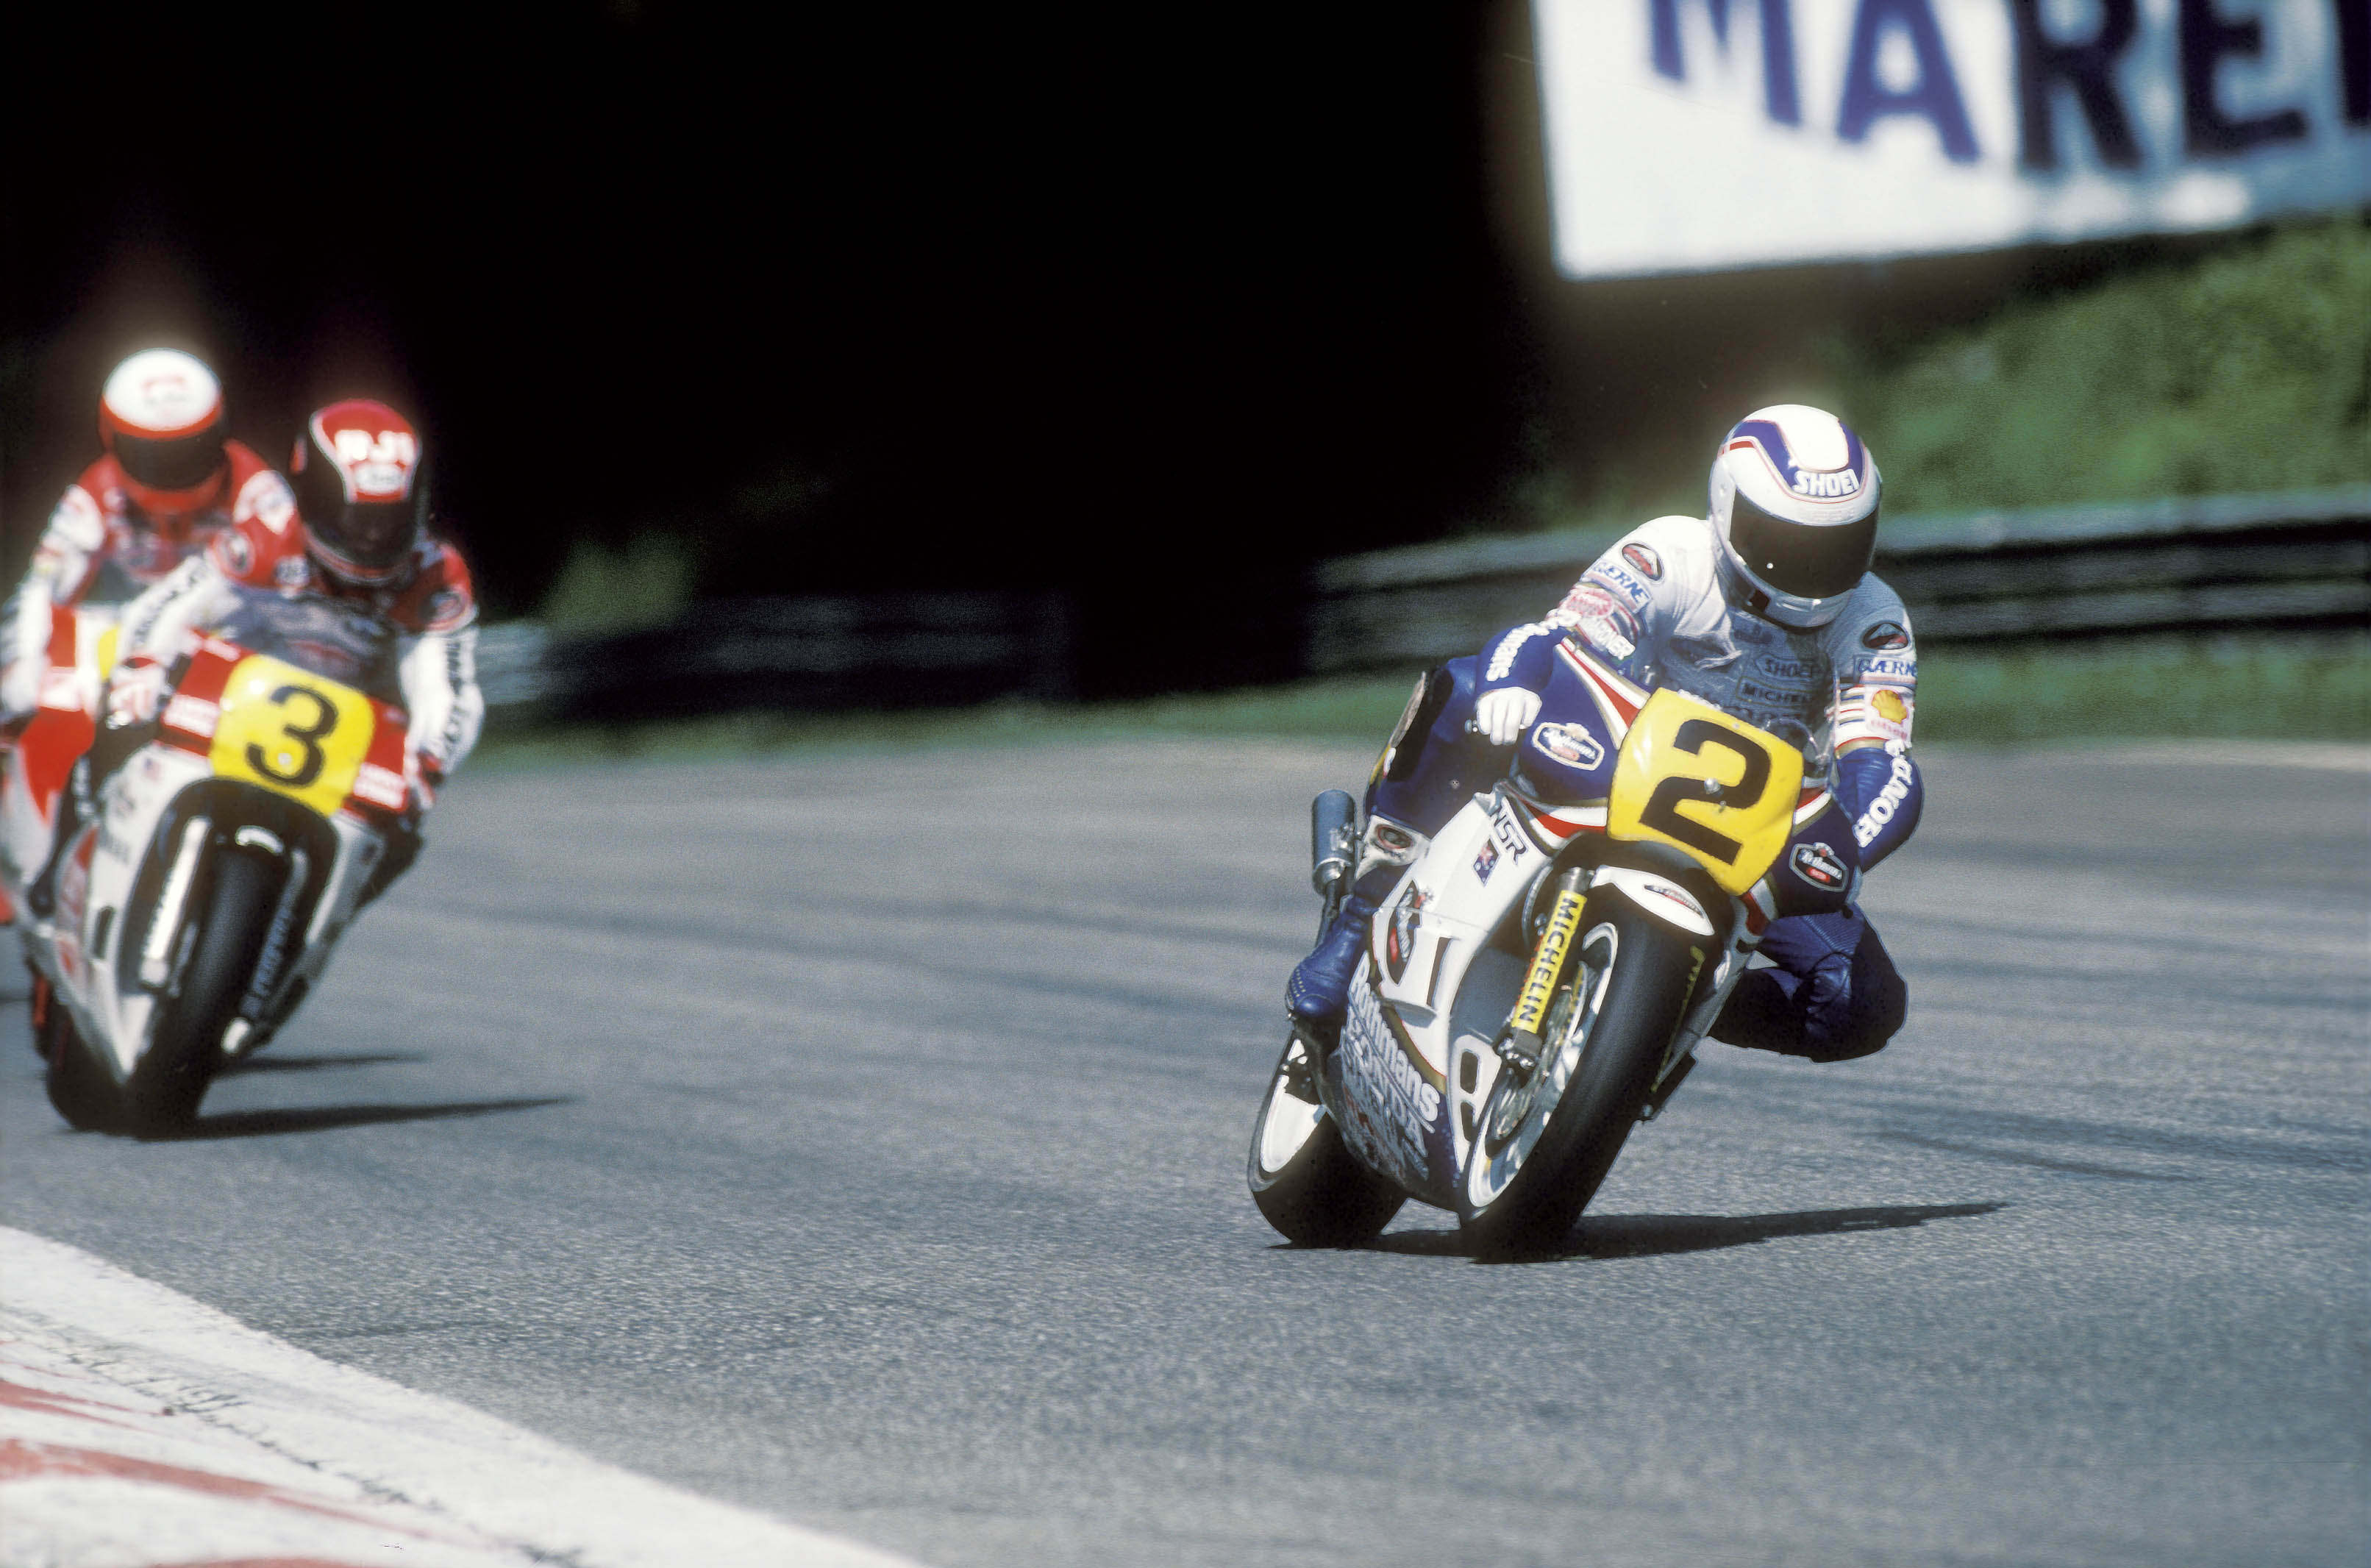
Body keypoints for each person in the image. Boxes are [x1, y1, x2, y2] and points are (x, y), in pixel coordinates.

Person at [1288, 404, 1925, 1063]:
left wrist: (1841, 851)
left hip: (1756, 837)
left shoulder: (1876, 618)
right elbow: (1555, 638)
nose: (1812, 569)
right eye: (1787, 541)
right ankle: (1359, 922)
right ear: (1728, 507)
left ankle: (1652, 1004)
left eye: (1836, 546)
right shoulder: (1669, 552)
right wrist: (1513, 686)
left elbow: (1885, 763)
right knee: (1466, 687)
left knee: (1863, 1001)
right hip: (1612, 771)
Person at [29, 399, 481, 915]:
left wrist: (428, 762)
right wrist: (142, 669)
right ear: (312, 496)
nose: (372, 537)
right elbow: (173, 602)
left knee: (403, 836)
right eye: (355, 519)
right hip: (229, 696)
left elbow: (449, 686)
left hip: (347, 732)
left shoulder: (437, 577)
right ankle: (60, 864)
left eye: (389, 519)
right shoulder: (269, 531)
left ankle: (310, 927)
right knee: (116, 718)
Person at [1, 349, 294, 724]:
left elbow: (286, 602)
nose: (174, 473)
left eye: (192, 451)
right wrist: (24, 665)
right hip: (123, 631)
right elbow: (43, 587)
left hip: (226, 637)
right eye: (152, 455)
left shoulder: (258, 492)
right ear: (112, 439)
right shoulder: (98, 491)